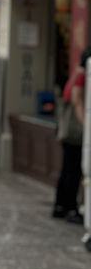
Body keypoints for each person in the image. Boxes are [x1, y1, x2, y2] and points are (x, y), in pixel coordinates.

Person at [52, 46, 91, 223]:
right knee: (73, 170)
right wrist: (87, 125)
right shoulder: (82, 76)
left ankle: (60, 207)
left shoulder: (75, 74)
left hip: (68, 131)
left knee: (68, 169)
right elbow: (76, 101)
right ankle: (70, 208)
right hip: (74, 133)